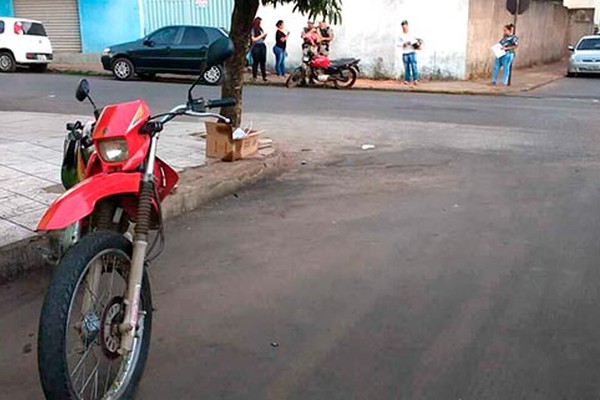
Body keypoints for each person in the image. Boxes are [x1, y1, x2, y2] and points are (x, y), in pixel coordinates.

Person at [398, 20, 419, 85]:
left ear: (407, 26)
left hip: (412, 51)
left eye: (405, 26)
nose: (404, 28)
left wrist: (412, 43)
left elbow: (416, 41)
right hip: (405, 52)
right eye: (403, 27)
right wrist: (403, 44)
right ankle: (407, 79)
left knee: (414, 66)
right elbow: (398, 44)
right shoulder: (400, 35)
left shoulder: (412, 34)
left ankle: (415, 79)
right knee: (406, 67)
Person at [251, 17, 268, 81]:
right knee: (256, 62)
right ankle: (254, 76)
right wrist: (261, 36)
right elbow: (253, 39)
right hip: (256, 46)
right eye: (259, 22)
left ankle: (264, 76)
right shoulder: (253, 30)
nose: (260, 24)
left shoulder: (260, 29)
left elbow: (262, 39)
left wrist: (264, 36)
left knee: (263, 61)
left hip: (262, 45)